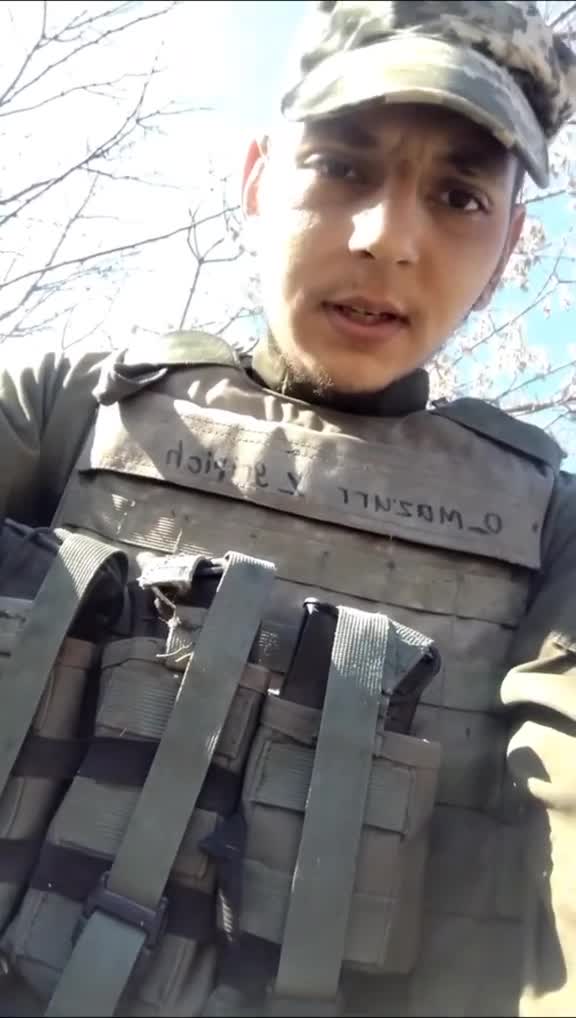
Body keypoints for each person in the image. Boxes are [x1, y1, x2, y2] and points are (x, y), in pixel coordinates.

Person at [0, 2, 575, 1016]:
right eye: (343, 167)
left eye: (459, 196)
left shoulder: (553, 533)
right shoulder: (62, 411)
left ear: (508, 251)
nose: (387, 239)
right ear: (260, 182)